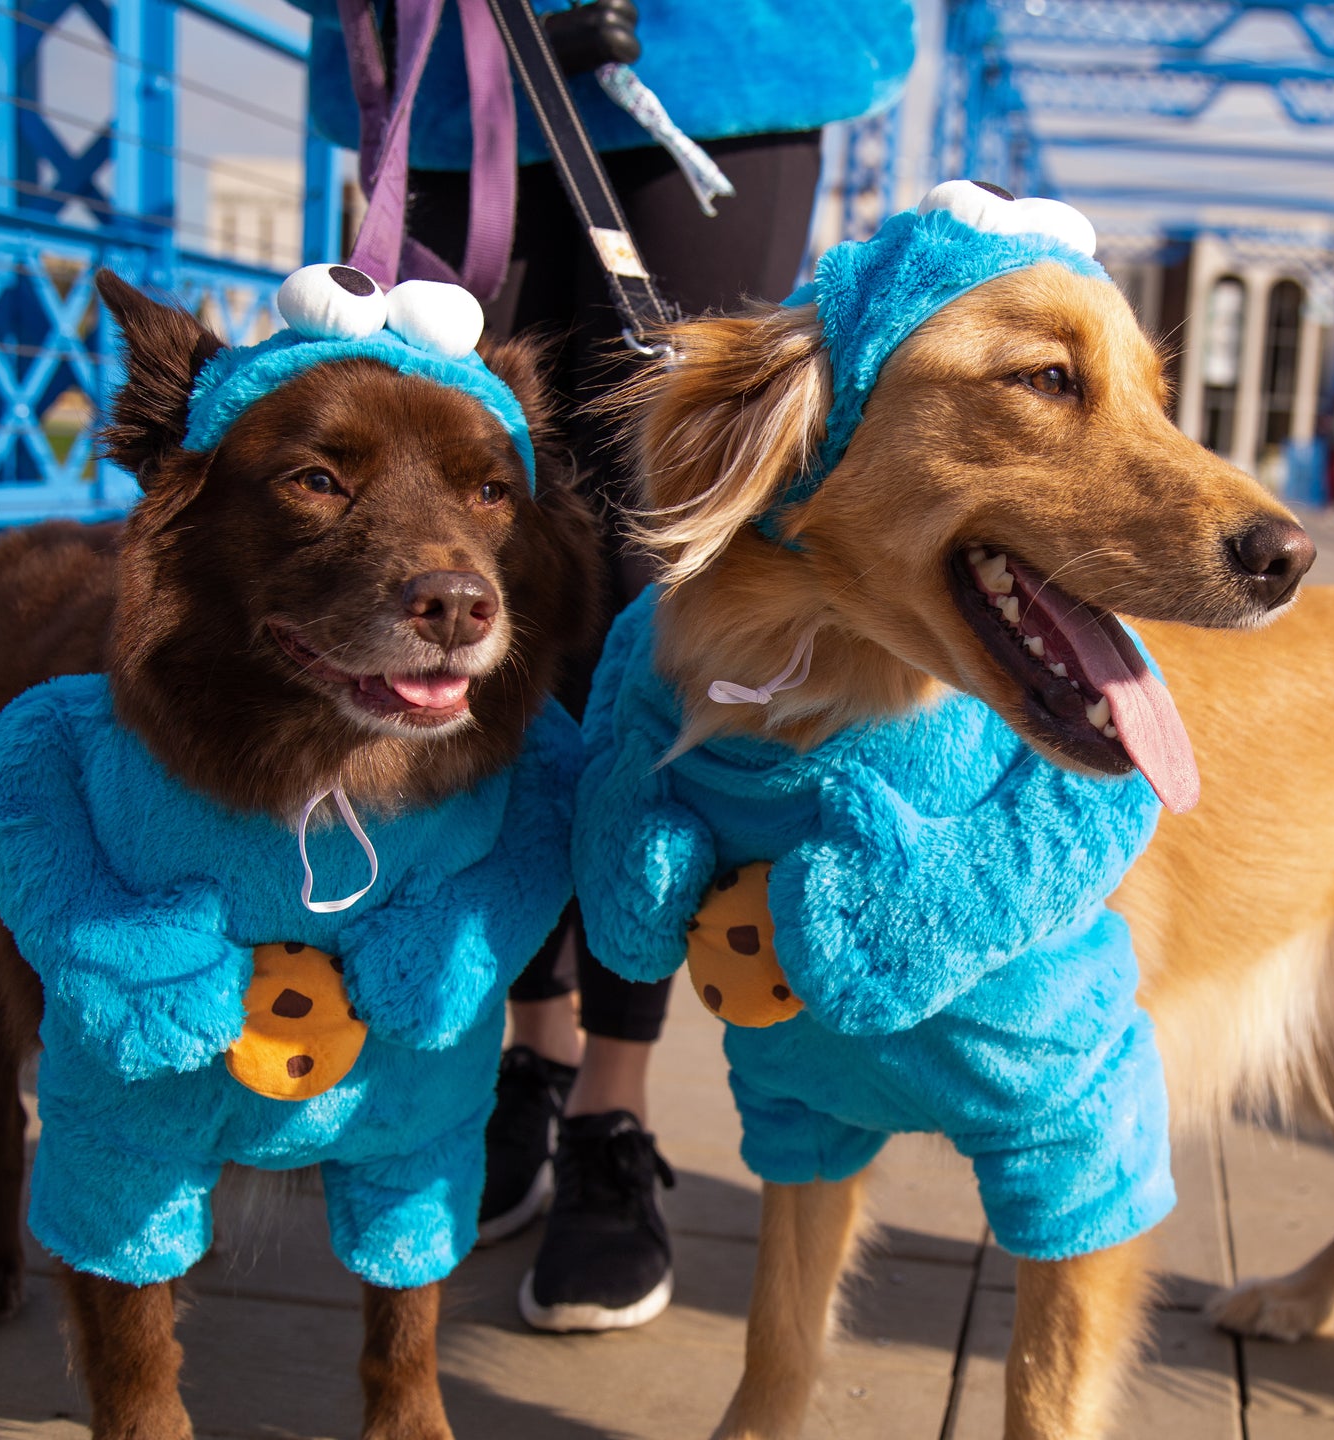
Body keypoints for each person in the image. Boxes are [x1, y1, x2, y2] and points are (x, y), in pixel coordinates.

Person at [295, 0, 916, 1332]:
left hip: (707, 62)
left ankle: (613, 1108)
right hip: (452, 66)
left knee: (658, 572)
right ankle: (526, 1053)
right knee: (476, 551)